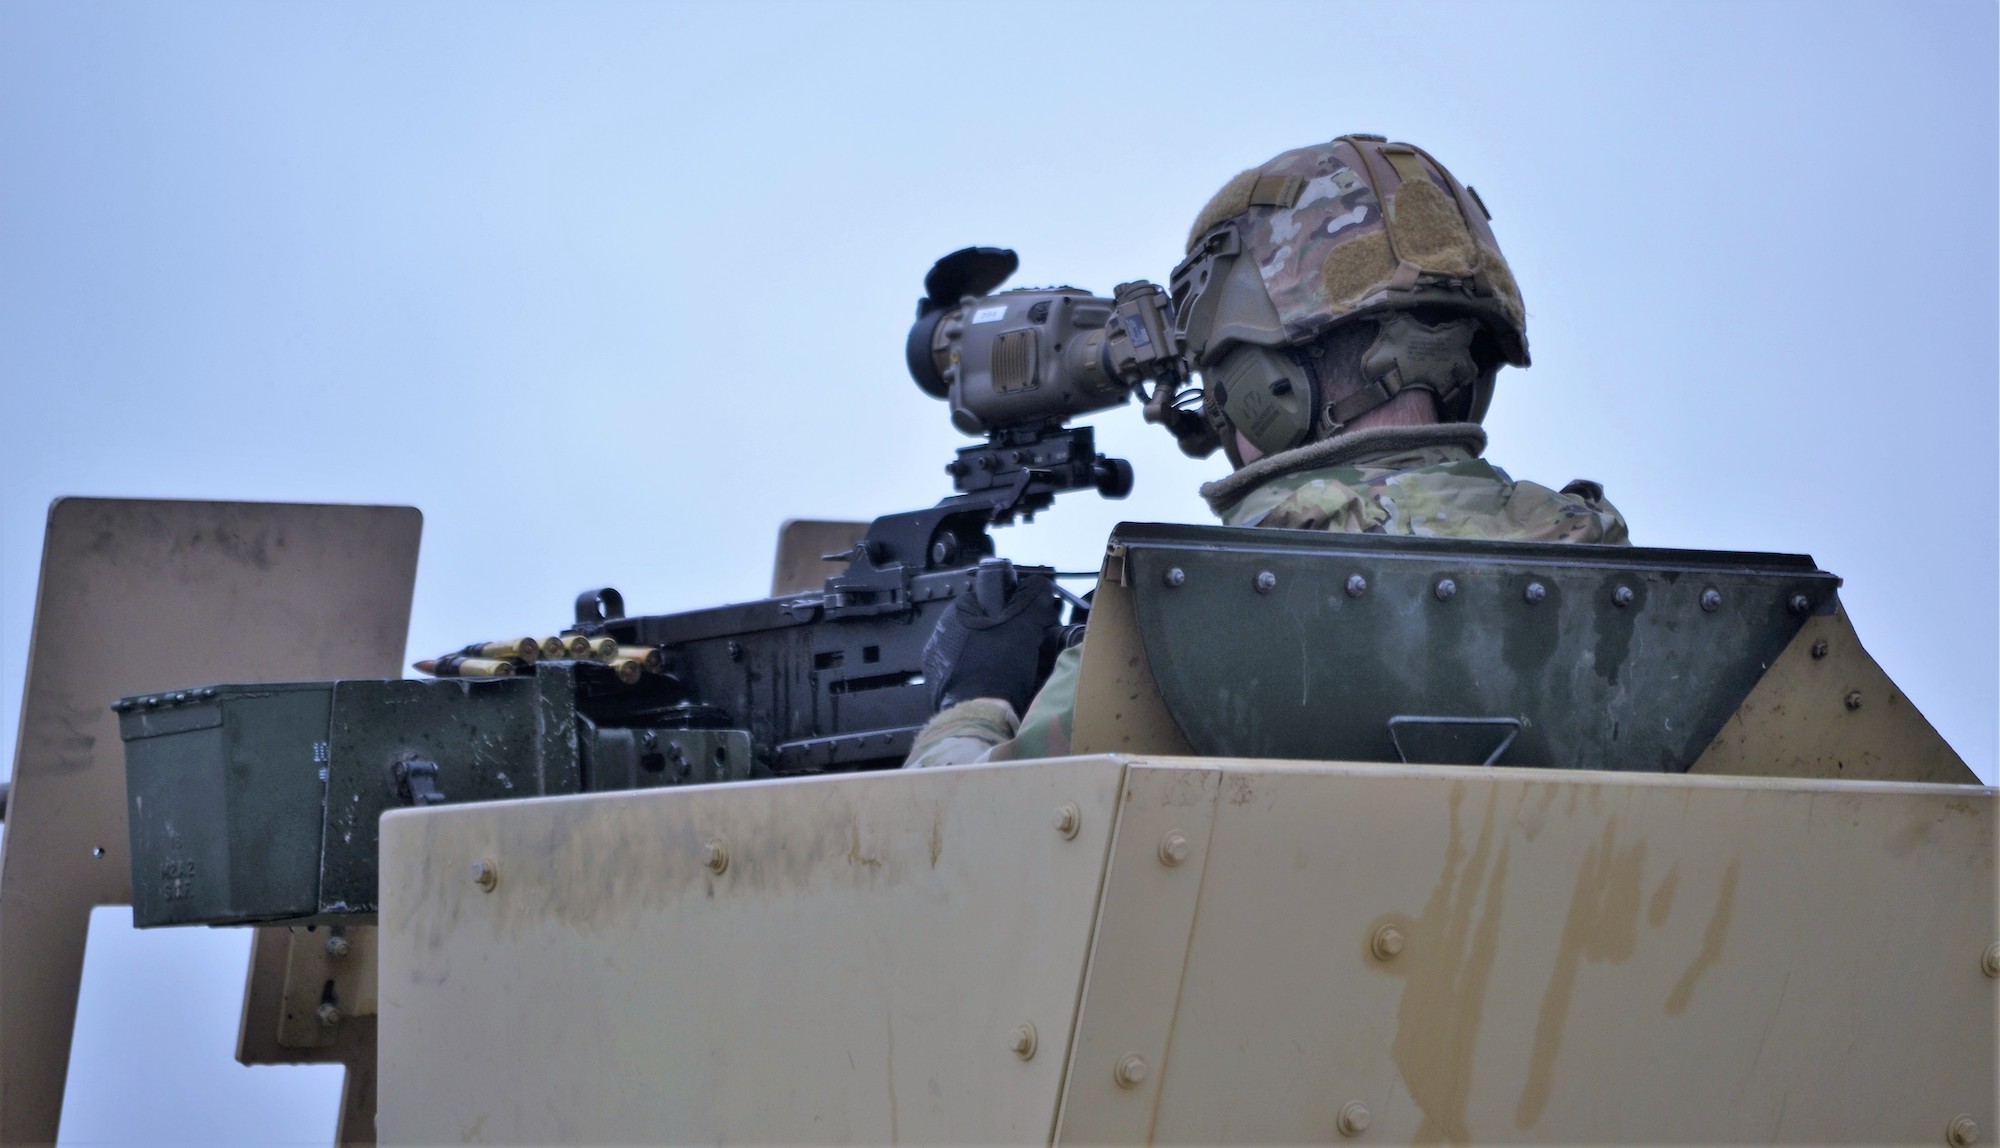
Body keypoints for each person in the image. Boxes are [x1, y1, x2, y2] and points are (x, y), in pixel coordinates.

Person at [905, 134, 1629, 769]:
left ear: (1264, 388)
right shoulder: (1600, 564)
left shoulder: (1186, 612)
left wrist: (973, 701)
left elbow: (952, 856)